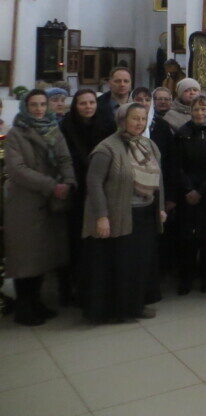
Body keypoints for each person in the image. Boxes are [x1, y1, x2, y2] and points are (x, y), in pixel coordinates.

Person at [81, 103, 166, 322]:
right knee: (120, 265)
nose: (139, 123)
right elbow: (94, 183)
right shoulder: (107, 148)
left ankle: (136, 305)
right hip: (119, 215)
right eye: (134, 118)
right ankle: (116, 311)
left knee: (140, 263)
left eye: (143, 119)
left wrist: (161, 208)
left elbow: (159, 181)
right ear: (122, 121)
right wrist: (101, 216)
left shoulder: (149, 145)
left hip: (145, 215)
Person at [3, 90, 76, 325]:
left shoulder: (53, 129)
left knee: (43, 258)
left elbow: (65, 159)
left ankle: (37, 303)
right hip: (26, 203)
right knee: (25, 259)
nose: (39, 109)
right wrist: (51, 185)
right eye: (34, 105)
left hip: (51, 203)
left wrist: (69, 181)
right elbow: (17, 169)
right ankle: (25, 307)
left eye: (43, 104)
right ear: (26, 107)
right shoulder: (16, 133)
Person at [59, 88, 115, 304]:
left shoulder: (105, 124)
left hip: (101, 188)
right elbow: (64, 159)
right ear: (75, 106)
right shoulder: (66, 126)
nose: (88, 107)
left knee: (98, 240)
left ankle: (98, 287)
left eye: (92, 103)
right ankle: (75, 287)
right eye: (83, 103)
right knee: (77, 239)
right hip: (77, 189)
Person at [172, 93, 206, 295]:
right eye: (196, 109)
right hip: (187, 192)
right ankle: (186, 278)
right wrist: (189, 189)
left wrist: (202, 190)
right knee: (187, 237)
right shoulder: (183, 132)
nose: (200, 113)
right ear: (190, 111)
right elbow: (177, 165)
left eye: (204, 109)